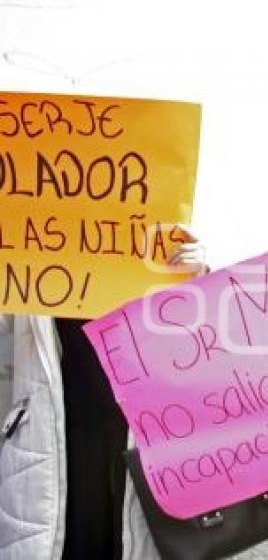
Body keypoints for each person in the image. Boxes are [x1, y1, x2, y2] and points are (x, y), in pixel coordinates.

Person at [0, 226, 207, 560]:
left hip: (143, 438)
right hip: (59, 439)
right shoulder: (37, 237)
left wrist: (198, 279)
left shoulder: (161, 238)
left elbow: (205, 343)